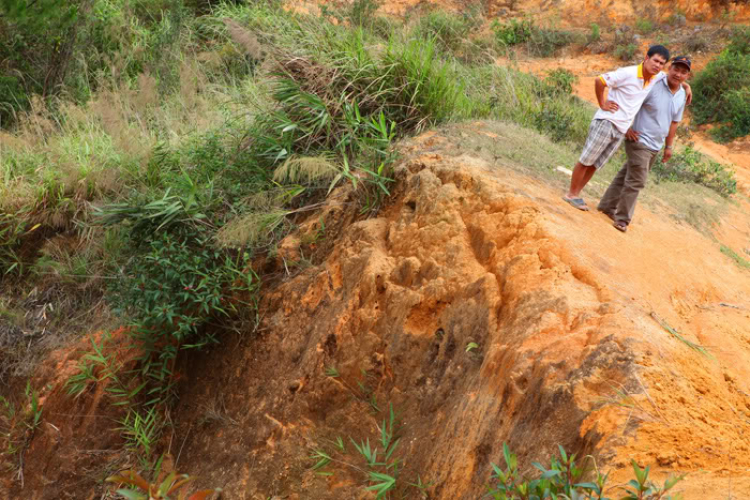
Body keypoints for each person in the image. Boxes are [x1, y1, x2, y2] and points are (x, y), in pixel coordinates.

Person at [562, 45, 677, 211]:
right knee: (587, 159)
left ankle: (577, 194)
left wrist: (686, 88)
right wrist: (602, 103)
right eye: (655, 61)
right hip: (607, 121)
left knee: (595, 164)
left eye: (661, 63)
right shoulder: (628, 73)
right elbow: (600, 80)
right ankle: (571, 194)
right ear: (646, 58)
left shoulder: (655, 77)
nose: (658, 65)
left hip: (621, 129)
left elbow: (672, 78)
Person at [597, 56, 691, 232]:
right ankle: (622, 219)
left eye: (683, 72)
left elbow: (674, 122)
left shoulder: (681, 95)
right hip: (639, 139)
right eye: (675, 69)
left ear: (687, 75)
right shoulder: (654, 83)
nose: (678, 74)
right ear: (668, 69)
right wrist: (627, 127)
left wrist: (669, 147)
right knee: (637, 180)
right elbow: (631, 102)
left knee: (627, 173)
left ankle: (607, 206)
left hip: (656, 144)